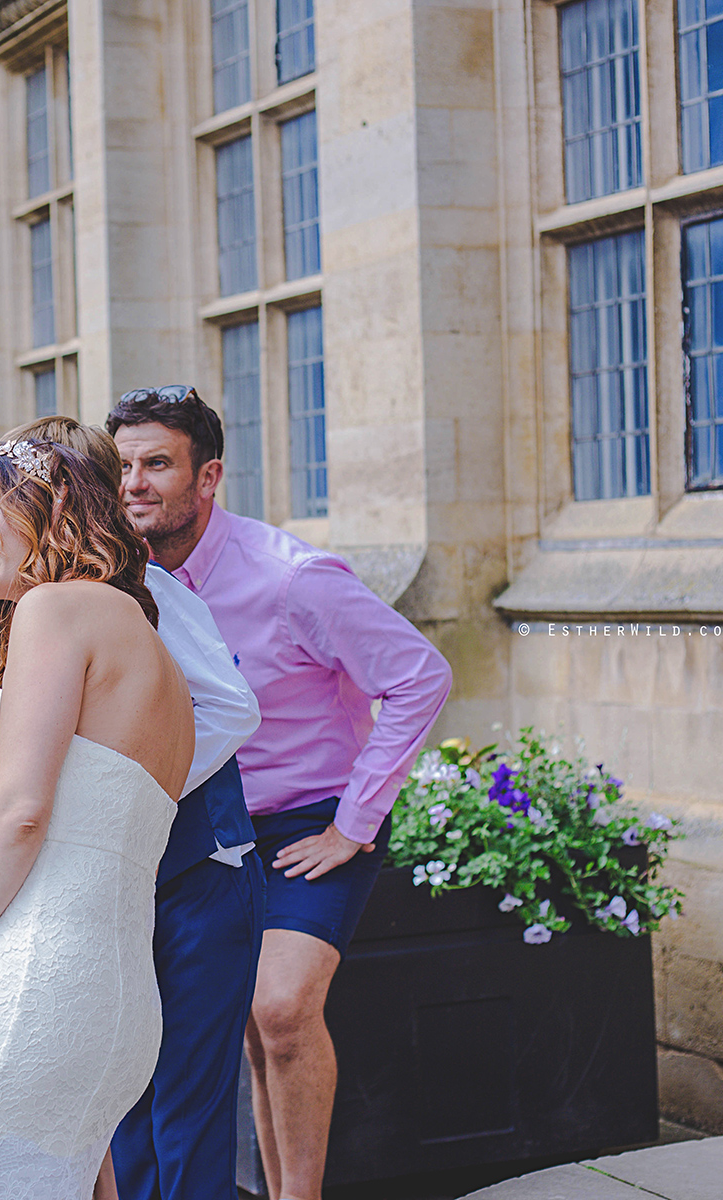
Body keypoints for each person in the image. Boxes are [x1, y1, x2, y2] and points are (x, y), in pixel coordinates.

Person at [0, 416, 262, 1200]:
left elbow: (21, 812)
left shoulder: (55, 608)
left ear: (51, 503)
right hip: (115, 998)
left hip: (36, 981)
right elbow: (96, 837)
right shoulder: (150, 648)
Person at [108, 387, 453, 1200]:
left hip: (306, 825)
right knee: (254, 1032)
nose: (134, 483)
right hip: (191, 828)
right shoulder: (121, 582)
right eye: (122, 464)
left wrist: (355, 822)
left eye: (157, 463)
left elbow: (418, 677)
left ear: (209, 476)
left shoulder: (293, 579)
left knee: (283, 1012)